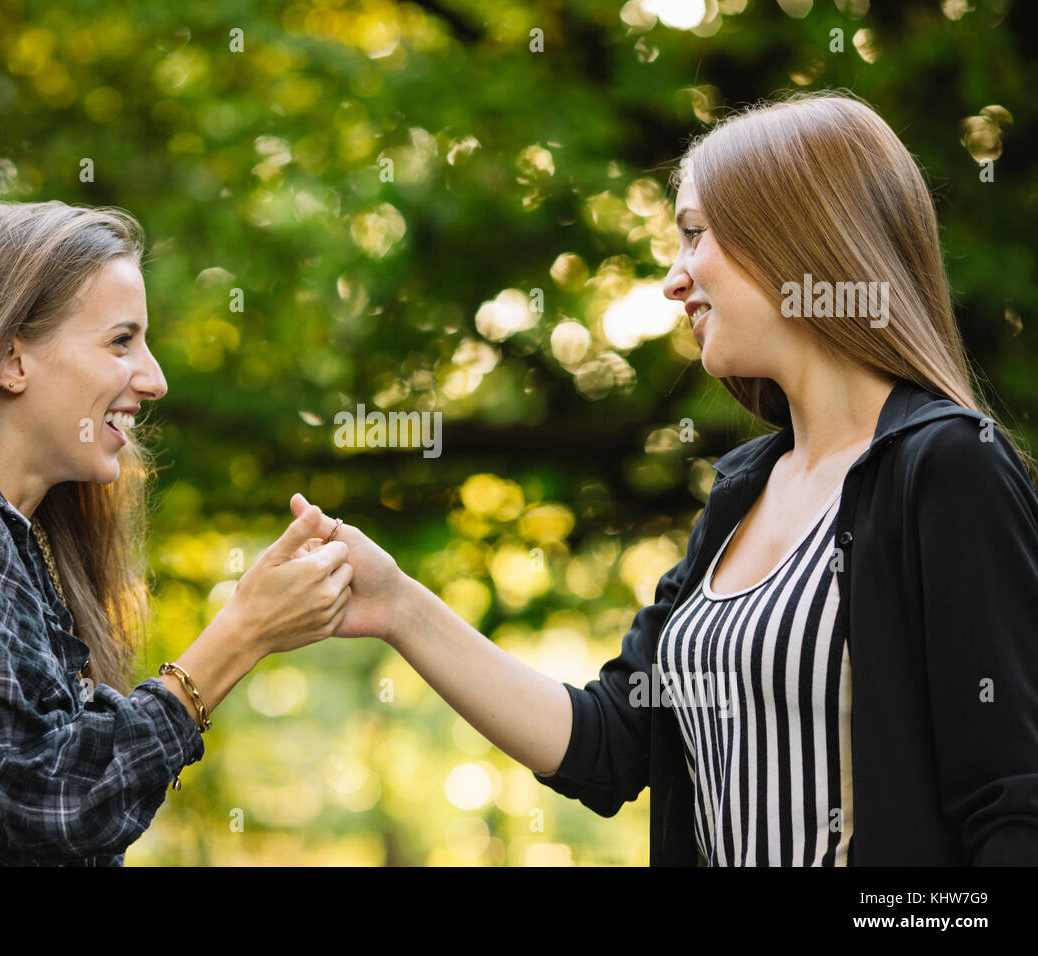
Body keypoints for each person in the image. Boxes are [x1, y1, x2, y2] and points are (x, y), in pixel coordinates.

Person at [290, 91, 1038, 865]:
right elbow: (608, 742)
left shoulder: (947, 465)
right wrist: (397, 606)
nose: (674, 281)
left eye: (693, 235)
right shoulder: (742, 492)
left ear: (796, 234)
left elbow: (1014, 810)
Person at [0, 201, 353, 866]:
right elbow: (49, 797)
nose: (154, 378)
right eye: (121, 341)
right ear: (11, 360)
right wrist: (242, 631)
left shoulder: (14, 545)